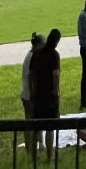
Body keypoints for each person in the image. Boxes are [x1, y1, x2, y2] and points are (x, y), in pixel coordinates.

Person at [30, 29, 62, 161]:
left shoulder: (36, 54)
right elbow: (55, 74)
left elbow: (32, 75)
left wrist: (32, 91)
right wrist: (56, 91)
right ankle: (50, 157)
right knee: (50, 128)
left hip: (38, 95)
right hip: (49, 95)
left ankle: (33, 156)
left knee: (36, 128)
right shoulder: (54, 55)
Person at [20, 31, 45, 159]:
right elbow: (31, 78)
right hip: (29, 96)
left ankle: (39, 145)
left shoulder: (32, 56)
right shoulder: (31, 58)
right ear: (38, 45)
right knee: (30, 123)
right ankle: (30, 150)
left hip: (30, 95)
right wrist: (33, 96)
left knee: (36, 121)